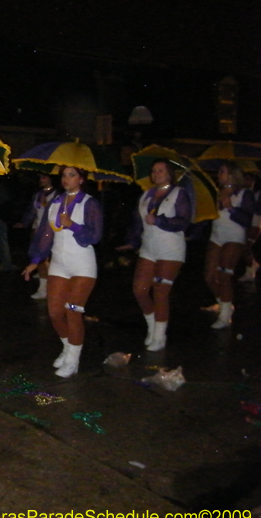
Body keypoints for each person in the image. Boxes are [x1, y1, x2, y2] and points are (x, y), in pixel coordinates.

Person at [22, 167, 103, 378]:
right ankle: (68, 349)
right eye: (64, 175)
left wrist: (73, 225)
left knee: (73, 310)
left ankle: (73, 360)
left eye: (72, 175)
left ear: (82, 179)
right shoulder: (55, 203)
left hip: (82, 265)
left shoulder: (90, 203)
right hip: (59, 264)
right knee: (55, 313)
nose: (66, 179)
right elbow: (45, 234)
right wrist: (36, 260)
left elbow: (94, 236)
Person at [115, 159, 192, 351]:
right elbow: (137, 222)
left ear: (169, 174)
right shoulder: (146, 195)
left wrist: (159, 220)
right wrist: (131, 242)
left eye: (160, 170)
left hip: (170, 248)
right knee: (139, 289)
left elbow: (183, 221)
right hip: (149, 248)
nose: (156, 174)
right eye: (154, 171)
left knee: (160, 291)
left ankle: (160, 336)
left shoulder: (178, 194)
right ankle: (152, 325)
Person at [202, 162, 254, 328]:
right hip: (216, 236)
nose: (219, 174)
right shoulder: (217, 193)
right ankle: (225, 304)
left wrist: (231, 208)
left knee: (224, 275)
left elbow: (247, 220)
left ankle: (225, 317)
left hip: (234, 236)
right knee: (209, 276)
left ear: (232, 174)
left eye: (222, 171)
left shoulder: (244, 194)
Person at [15, 174, 59, 299]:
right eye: (40, 178)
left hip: (51, 232)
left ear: (51, 179)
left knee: (47, 260)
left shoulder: (57, 196)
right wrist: (24, 223)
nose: (41, 180)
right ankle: (43, 287)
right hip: (37, 229)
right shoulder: (38, 195)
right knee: (39, 259)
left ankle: (49, 287)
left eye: (44, 178)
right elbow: (32, 211)